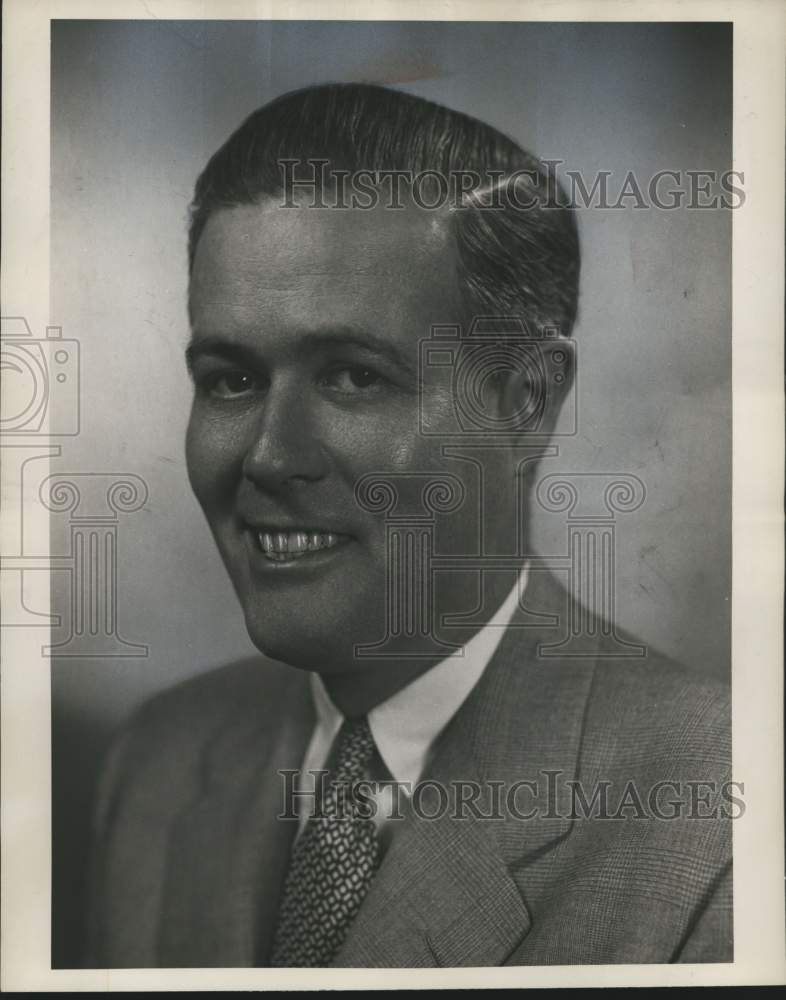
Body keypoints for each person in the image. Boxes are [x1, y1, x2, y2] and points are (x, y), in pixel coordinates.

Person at [84, 83, 732, 968]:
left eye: (353, 378)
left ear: (526, 402)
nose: (270, 457)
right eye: (231, 379)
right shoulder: (159, 758)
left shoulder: (720, 817)